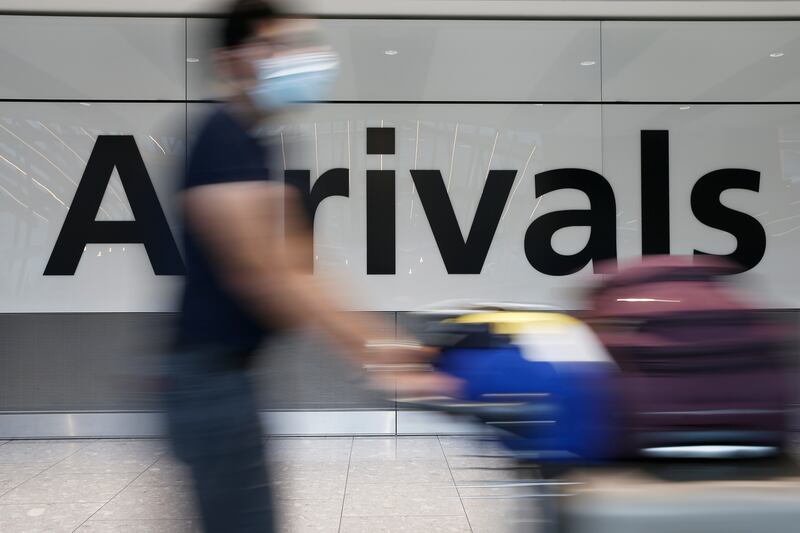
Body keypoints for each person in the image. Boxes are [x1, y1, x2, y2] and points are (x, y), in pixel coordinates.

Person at [163, 1, 458, 532]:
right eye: (275, 46)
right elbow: (266, 274)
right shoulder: (220, 138)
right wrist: (378, 355)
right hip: (205, 381)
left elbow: (303, 268)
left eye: (300, 44)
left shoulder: (259, 145)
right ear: (232, 60)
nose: (296, 58)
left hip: (231, 378)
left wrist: (385, 350)